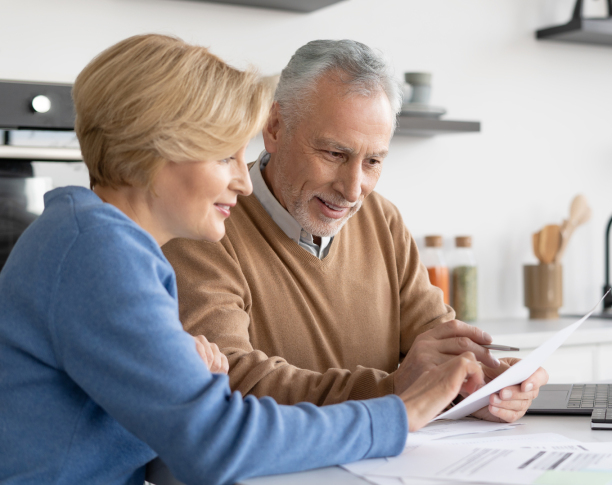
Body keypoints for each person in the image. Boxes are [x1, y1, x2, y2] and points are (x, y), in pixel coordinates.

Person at [0, 34, 486, 485]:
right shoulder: (98, 252)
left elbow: (176, 444)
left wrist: (198, 391)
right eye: (224, 157)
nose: (244, 180)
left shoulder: (95, 239)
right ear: (156, 152)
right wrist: (398, 413)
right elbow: (216, 443)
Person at [162, 39, 548, 422]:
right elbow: (233, 378)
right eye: (334, 154)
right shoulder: (204, 224)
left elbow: (437, 340)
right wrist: (394, 391)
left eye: (374, 161)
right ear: (275, 127)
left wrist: (486, 383)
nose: (352, 189)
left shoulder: (383, 220)